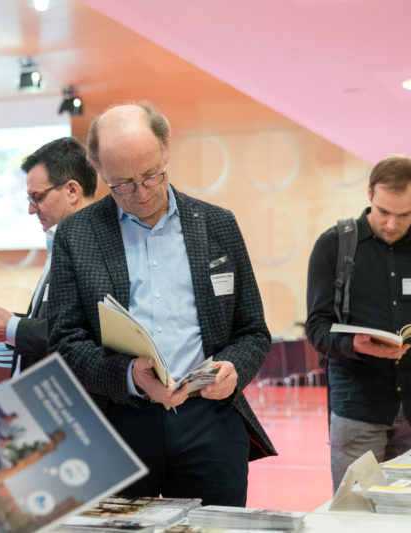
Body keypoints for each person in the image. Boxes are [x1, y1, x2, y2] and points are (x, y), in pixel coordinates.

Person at [47, 102, 275, 506]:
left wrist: (233, 368)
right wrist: (129, 375)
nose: (141, 193)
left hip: (211, 421)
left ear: (166, 149)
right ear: (97, 167)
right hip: (117, 422)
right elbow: (65, 340)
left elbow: (253, 330)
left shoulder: (218, 225)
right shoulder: (76, 235)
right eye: (123, 183)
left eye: (151, 176)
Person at [305, 154, 411, 493]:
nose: (392, 224)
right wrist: (353, 344)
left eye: (405, 214)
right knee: (356, 513)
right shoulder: (334, 245)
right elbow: (317, 327)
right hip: (358, 407)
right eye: (384, 212)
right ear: (369, 193)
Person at [0, 137, 97, 373]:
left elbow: (84, 336)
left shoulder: (95, 247)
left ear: (72, 190)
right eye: (29, 198)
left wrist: (12, 327)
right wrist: (5, 320)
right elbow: (55, 322)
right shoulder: (63, 241)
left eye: (38, 196)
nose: (31, 209)